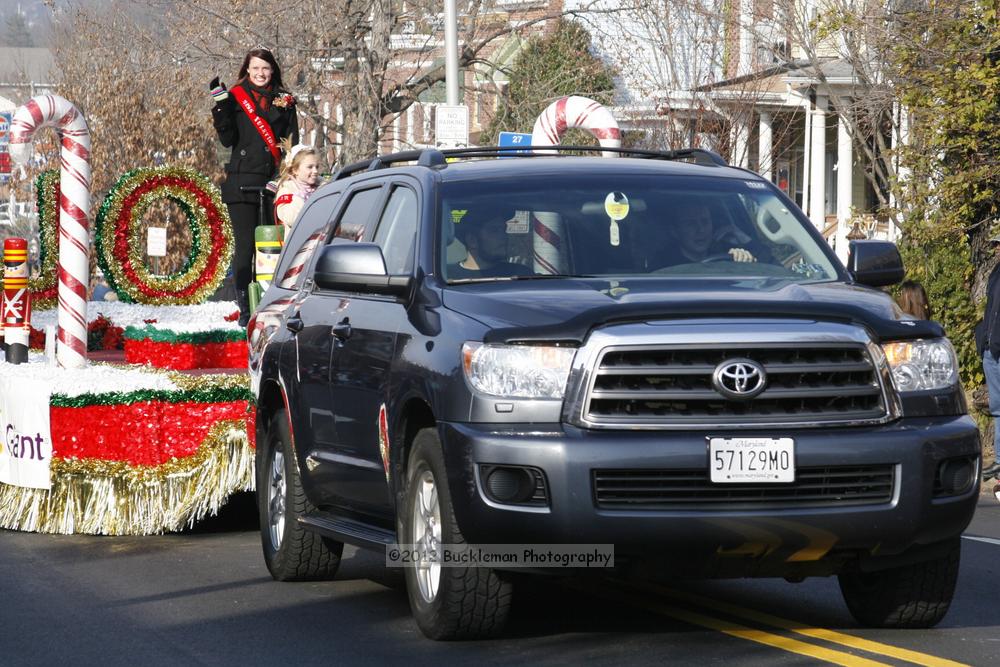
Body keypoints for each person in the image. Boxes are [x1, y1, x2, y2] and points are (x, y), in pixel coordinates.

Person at [210, 47, 299, 324]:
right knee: (246, 247)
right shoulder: (236, 96)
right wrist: (221, 105)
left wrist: (282, 176)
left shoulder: (284, 100)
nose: (260, 73)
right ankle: (245, 306)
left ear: (272, 70)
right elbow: (227, 139)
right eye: (256, 68)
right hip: (241, 183)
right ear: (247, 70)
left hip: (272, 182)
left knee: (273, 246)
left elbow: (291, 144)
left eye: (266, 68)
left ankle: (271, 299)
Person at [658, 201, 756, 266]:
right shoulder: (663, 265)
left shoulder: (727, 252)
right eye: (691, 224)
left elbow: (768, 264)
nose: (701, 230)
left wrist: (744, 244)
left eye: (705, 222)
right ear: (675, 232)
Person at [447, 212, 530, 280]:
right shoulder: (447, 277)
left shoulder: (521, 275)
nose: (504, 236)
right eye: (494, 230)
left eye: (504, 230)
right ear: (472, 240)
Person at [977, 249, 1000, 479]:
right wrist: (982, 341)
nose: (997, 248)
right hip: (991, 349)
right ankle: (999, 461)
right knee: (997, 408)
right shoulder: (995, 272)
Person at [273, 143, 321, 231]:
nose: (315, 171)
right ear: (295, 170)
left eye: (317, 167)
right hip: (299, 242)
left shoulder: (323, 188)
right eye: (310, 167)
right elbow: (290, 219)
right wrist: (299, 198)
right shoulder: (286, 190)